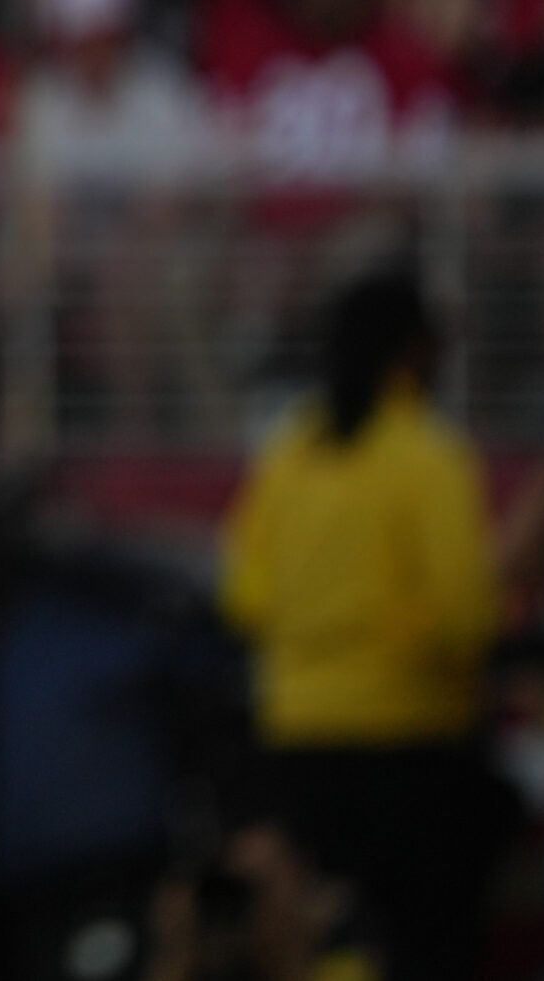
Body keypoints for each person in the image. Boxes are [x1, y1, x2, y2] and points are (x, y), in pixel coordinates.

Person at [220, 261, 506, 981]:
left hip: (298, 746)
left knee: (320, 949)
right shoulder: (430, 456)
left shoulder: (289, 456)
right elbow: (463, 621)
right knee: (428, 950)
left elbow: (244, 596)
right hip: (415, 751)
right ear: (414, 350)